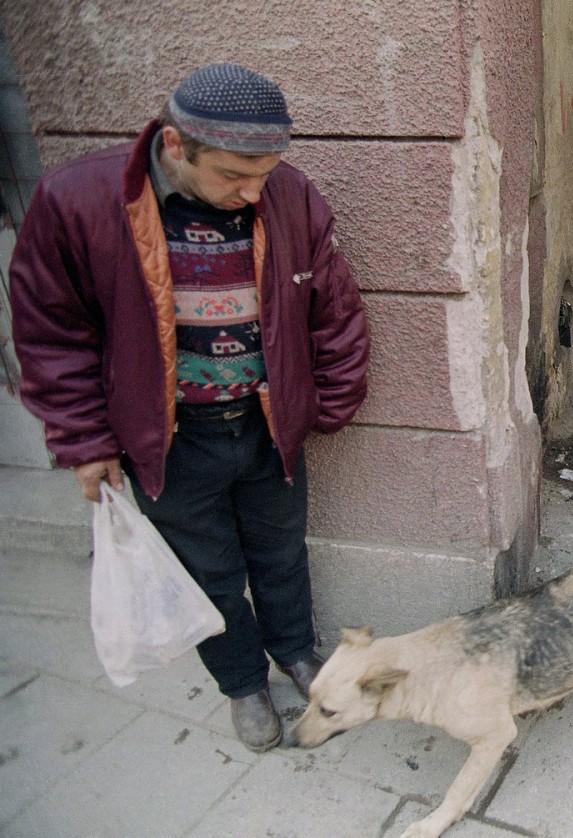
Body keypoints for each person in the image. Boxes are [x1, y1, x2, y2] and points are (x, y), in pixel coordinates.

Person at [9, 63, 369, 752]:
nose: (253, 191)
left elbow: (336, 309)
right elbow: (50, 335)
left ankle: (296, 653)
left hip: (265, 427)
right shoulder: (76, 199)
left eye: (265, 172)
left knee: (281, 552)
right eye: (236, 175)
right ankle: (242, 684)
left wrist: (328, 402)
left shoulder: (289, 194)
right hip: (168, 440)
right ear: (176, 146)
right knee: (209, 572)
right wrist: (84, 444)